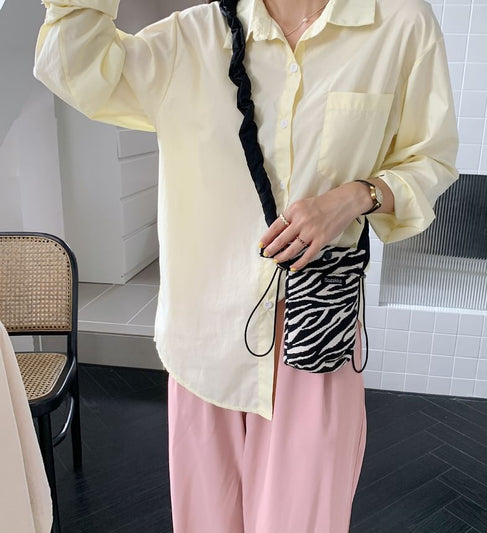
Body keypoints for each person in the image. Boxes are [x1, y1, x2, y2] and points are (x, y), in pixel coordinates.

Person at [34, 0, 458, 531]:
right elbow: (76, 68)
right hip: (204, 339)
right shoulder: (192, 36)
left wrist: (354, 196)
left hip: (313, 336)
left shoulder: (399, 24)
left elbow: (430, 158)